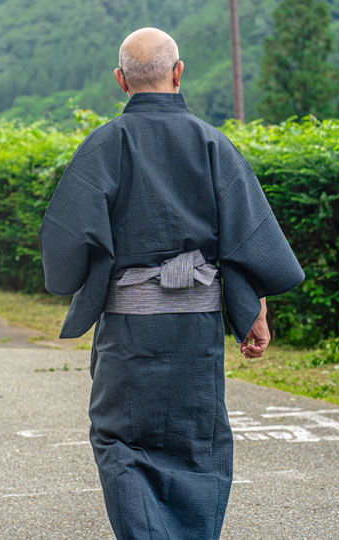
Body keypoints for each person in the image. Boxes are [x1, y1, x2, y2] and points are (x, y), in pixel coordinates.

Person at [39, 27, 304, 539]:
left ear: (121, 80)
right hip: (195, 330)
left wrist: (81, 277)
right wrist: (255, 309)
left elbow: (65, 238)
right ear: (179, 73)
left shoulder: (104, 144)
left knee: (121, 441)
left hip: (129, 329)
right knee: (196, 440)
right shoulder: (212, 142)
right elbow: (248, 237)